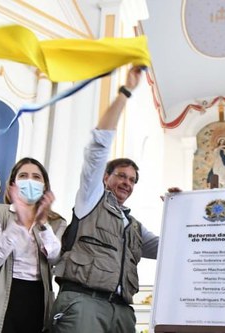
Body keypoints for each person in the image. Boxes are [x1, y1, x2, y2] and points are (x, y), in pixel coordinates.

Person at [52, 67, 172, 333]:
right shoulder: (90, 200)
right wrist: (125, 93)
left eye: (132, 180)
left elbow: (169, 247)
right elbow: (98, 147)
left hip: (121, 311)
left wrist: (178, 211)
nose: (127, 183)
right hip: (84, 303)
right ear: (105, 177)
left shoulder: (134, 227)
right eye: (121, 176)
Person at [0, 157, 66, 333]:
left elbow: (55, 259)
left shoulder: (56, 222)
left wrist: (43, 223)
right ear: (13, 184)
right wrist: (18, 223)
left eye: (36, 177)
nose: (30, 181)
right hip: (1, 294)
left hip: (37, 296)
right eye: (23, 176)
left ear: (44, 186)